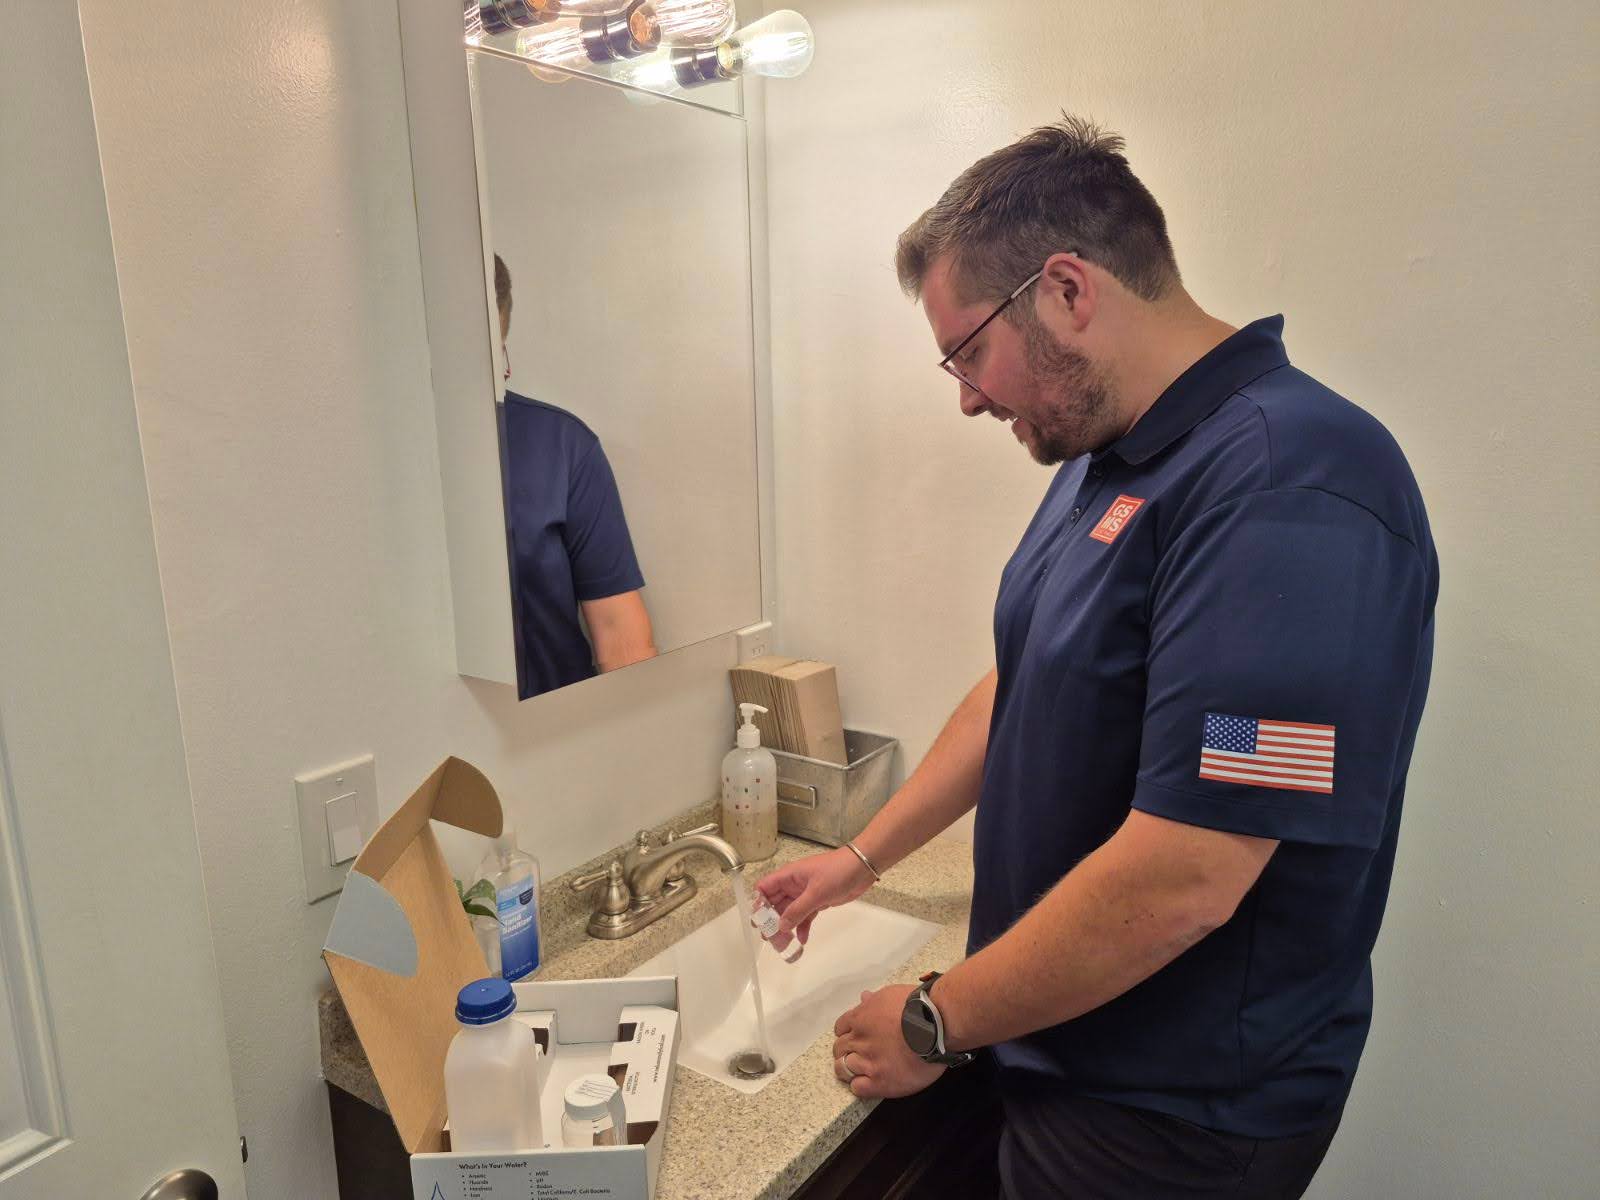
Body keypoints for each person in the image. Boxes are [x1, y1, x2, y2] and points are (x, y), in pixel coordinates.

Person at [757, 116, 1438, 1199]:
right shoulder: (1107, 463)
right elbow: (1019, 681)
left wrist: (933, 1021)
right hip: (1060, 1045)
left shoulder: (1292, 488)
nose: (969, 395)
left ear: (1067, 289)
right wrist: (858, 861)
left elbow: (1190, 875)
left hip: (1173, 1113)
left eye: (969, 350)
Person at [494, 254, 656, 699]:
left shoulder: (561, 445)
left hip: (558, 730)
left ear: (500, 327)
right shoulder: (375, 454)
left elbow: (618, 632)